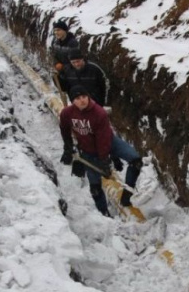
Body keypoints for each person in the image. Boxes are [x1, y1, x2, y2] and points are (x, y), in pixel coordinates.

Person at [59, 85, 141, 215]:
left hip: (108, 142)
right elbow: (64, 128)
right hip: (87, 149)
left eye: (84, 96)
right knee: (95, 188)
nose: (82, 100)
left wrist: (105, 159)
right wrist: (68, 146)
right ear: (72, 100)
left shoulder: (99, 113)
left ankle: (127, 195)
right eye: (78, 98)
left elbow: (103, 139)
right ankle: (104, 213)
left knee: (136, 160)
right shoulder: (67, 113)